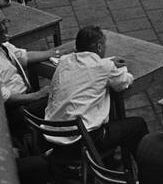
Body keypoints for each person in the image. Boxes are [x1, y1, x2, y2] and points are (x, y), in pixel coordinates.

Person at [45, 25, 149, 162]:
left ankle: (113, 159)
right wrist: (122, 68)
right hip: (82, 140)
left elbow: (87, 66)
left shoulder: (64, 61)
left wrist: (108, 63)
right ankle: (147, 174)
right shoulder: (104, 67)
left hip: (53, 135)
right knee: (138, 125)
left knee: (100, 106)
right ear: (99, 47)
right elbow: (123, 82)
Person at [0, 13, 62, 140]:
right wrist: (38, 95)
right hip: (15, 110)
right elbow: (6, 99)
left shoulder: (1, 45)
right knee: (62, 97)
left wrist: (59, 51)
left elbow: (24, 57)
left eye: (4, 22)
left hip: (26, 97)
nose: (4, 28)